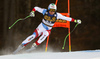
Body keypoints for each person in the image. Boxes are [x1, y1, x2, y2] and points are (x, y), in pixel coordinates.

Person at [13, 3, 81, 54]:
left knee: (46, 34)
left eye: (53, 10)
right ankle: (22, 45)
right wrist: (32, 12)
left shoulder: (57, 15)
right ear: (48, 9)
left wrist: (75, 20)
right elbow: (36, 8)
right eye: (50, 10)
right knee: (33, 36)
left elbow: (67, 18)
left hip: (48, 29)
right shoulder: (45, 11)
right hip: (41, 26)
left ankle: (35, 45)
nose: (51, 12)